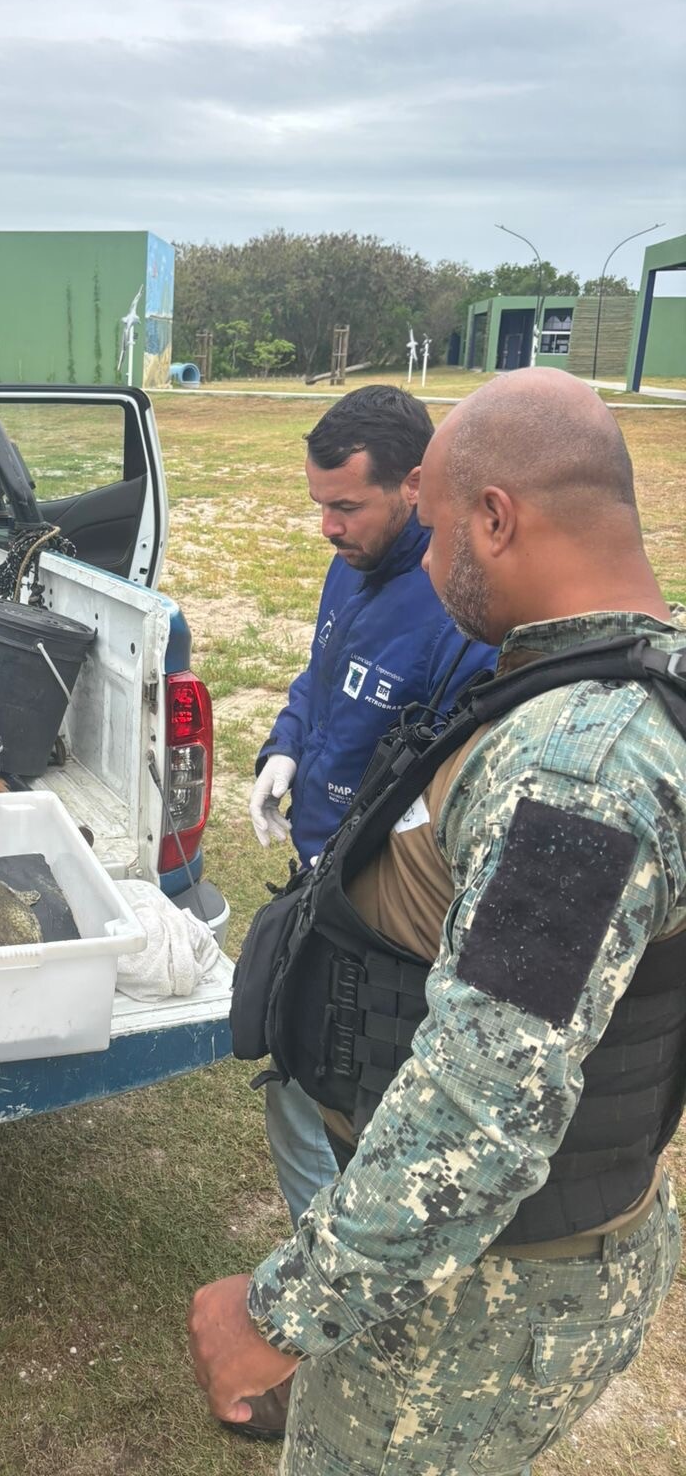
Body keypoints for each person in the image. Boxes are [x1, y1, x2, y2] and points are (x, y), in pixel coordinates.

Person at [191, 368, 686, 1473]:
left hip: (479, 1300)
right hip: (495, 1274)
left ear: (496, 518)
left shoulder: (579, 774)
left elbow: (479, 1108)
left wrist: (279, 1314)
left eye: (440, 525)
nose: (422, 559)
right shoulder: (608, 682)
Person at [247, 386, 494, 1313]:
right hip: (320, 874)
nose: (327, 527)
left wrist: (369, 871)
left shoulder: (459, 608)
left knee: (360, 1100)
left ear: (416, 485)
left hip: (382, 911)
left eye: (346, 505)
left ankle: (351, 1298)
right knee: (291, 1073)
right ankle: (317, 1263)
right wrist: (283, 747)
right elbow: (320, 676)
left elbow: (451, 778)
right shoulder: (350, 568)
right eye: (319, 504)